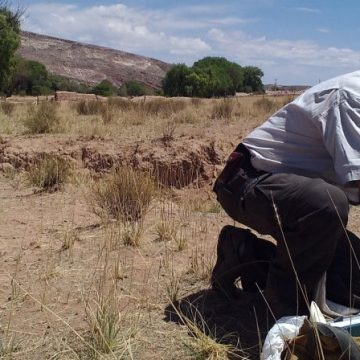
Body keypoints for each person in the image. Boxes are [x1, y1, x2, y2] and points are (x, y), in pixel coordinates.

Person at [212, 70, 360, 318]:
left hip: (297, 199)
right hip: (248, 182)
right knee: (329, 202)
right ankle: (291, 314)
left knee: (354, 284)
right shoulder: (350, 98)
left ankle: (246, 254)